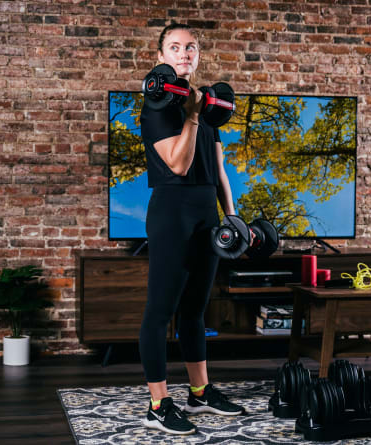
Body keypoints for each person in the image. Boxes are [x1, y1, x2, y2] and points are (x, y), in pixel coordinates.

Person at [137, 23, 246, 435]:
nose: (184, 53)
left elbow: (219, 171)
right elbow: (179, 165)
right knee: (160, 311)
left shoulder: (209, 108)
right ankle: (158, 404)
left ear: (198, 55)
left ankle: (199, 393)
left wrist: (232, 218)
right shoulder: (157, 109)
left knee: (195, 310)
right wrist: (194, 115)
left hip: (206, 215)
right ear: (161, 56)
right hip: (172, 213)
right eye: (175, 47)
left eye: (191, 47)